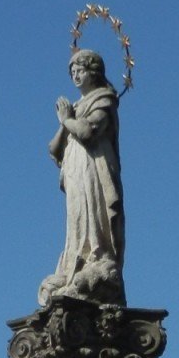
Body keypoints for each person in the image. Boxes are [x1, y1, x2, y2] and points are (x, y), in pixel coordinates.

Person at [38, 48, 125, 307]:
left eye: (80, 70)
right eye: (72, 71)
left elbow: (88, 132)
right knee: (77, 218)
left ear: (93, 71)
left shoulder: (103, 100)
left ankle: (97, 259)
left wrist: (67, 121)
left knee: (94, 214)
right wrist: (64, 121)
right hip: (75, 172)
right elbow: (53, 149)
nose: (76, 75)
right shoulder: (75, 109)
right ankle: (76, 262)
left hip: (94, 171)